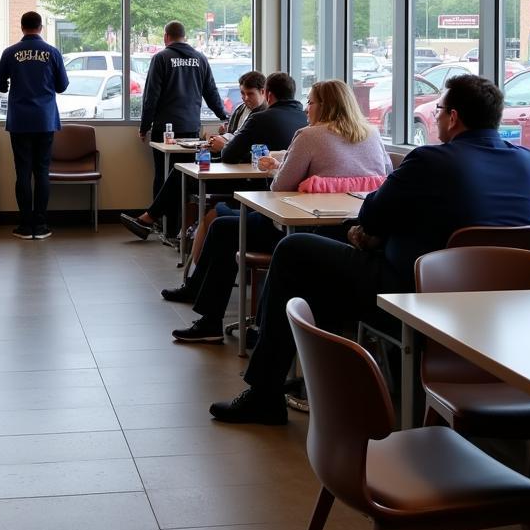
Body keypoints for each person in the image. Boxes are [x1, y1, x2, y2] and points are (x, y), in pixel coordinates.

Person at [208, 74, 530, 424]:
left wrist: (370, 235)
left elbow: (371, 213)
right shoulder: (529, 163)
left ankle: (267, 391)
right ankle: (322, 368)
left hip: (410, 296)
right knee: (324, 268)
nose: (438, 116)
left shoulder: (430, 161)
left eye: (440, 108)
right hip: (502, 307)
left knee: (294, 250)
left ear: (454, 117)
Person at [167, 80, 392, 343]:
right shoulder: (372, 134)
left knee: (223, 227)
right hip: (350, 234)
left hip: (301, 231)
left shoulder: (310, 135)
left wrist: (275, 167)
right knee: (227, 222)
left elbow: (280, 185)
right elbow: (384, 174)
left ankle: (210, 321)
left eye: (311, 102)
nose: (307, 109)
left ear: (326, 106)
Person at [121, 70, 306, 241]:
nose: (245, 98)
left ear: (267, 93)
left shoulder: (262, 117)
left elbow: (229, 154)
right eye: (243, 94)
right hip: (279, 187)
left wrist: (226, 144)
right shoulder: (304, 120)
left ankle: (160, 223)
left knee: (182, 173)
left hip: (251, 180)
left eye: (250, 94)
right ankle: (170, 227)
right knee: (184, 170)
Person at [0, 11, 69, 240]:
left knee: (23, 173)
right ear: (41, 27)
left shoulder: (11, 52)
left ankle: (25, 226)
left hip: (20, 120)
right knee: (43, 172)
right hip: (45, 120)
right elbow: (62, 86)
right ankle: (42, 225)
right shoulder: (52, 52)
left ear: (22, 26)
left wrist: (9, 86)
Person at [139, 21, 228, 201]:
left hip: (165, 131)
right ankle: (182, 221)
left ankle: (161, 221)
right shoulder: (200, 59)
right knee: (186, 175)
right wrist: (224, 117)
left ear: (166, 36)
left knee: (163, 175)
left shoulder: (161, 58)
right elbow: (211, 92)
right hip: (191, 130)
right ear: (184, 36)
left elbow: (151, 96)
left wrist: (144, 126)